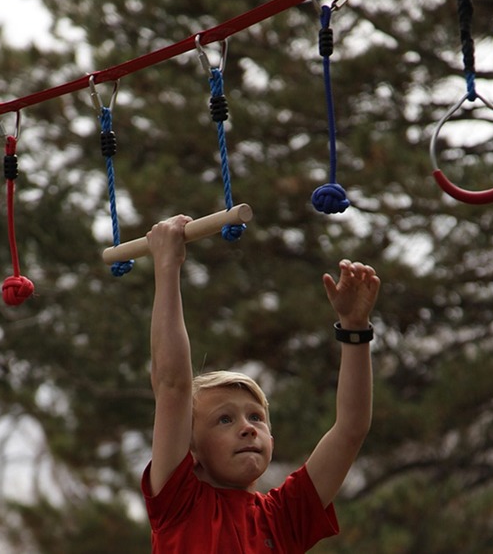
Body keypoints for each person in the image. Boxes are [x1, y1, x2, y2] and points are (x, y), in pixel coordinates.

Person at [141, 214, 381, 553]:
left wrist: (355, 328)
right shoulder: (178, 503)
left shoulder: (284, 516)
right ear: (190, 449)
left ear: (271, 437)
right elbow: (172, 385)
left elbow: (351, 428)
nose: (248, 428)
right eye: (224, 419)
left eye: (256, 417)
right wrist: (167, 266)